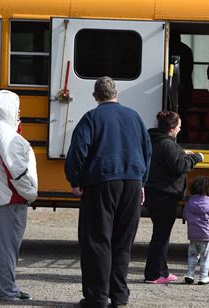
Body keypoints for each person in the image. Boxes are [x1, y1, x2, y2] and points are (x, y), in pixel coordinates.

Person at [64, 76, 152, 307]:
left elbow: (78, 151)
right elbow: (147, 151)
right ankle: (120, 295)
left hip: (102, 182)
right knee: (123, 241)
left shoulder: (91, 118)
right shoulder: (134, 117)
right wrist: (142, 181)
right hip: (132, 182)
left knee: (97, 240)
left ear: (95, 96)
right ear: (116, 94)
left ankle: (97, 297)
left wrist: (75, 180)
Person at [0, 90, 38, 301]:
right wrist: (30, 193)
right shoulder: (5, 133)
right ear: (10, 109)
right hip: (11, 199)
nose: (20, 111)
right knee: (8, 249)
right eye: (17, 107)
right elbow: (17, 170)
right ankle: (8, 291)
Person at [143, 111, 204, 284]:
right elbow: (180, 166)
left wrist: (181, 152)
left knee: (161, 234)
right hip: (164, 194)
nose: (179, 129)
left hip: (154, 191)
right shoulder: (167, 144)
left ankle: (162, 271)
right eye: (178, 126)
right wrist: (196, 158)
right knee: (161, 236)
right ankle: (153, 274)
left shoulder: (154, 139)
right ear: (171, 128)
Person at [183, 176, 209, 285]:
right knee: (205, 257)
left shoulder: (190, 203)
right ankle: (203, 277)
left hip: (192, 236)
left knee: (192, 256)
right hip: (206, 236)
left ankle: (189, 274)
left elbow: (185, 215)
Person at [169, 30, 194, 143]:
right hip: (185, 87)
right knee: (182, 116)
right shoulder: (186, 49)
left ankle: (175, 139)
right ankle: (183, 140)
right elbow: (189, 70)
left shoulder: (167, 48)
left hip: (179, 87)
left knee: (172, 116)